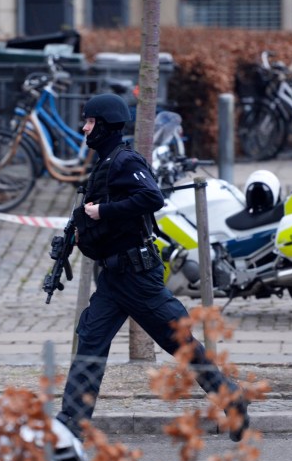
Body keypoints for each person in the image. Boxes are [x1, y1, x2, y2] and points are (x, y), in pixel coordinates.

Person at [56, 93, 249, 442]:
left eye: (89, 121)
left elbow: (152, 197)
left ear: (104, 125)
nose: (84, 127)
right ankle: (71, 422)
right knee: (90, 342)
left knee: (181, 344)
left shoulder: (125, 160)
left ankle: (230, 398)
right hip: (114, 278)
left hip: (138, 278)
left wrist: (103, 212)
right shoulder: (105, 162)